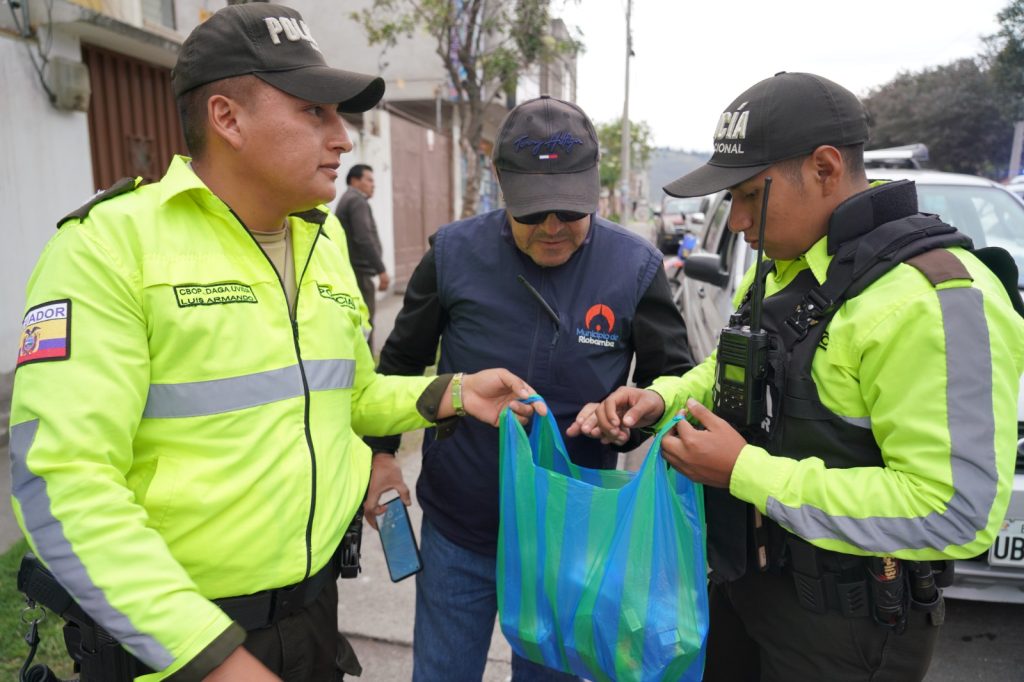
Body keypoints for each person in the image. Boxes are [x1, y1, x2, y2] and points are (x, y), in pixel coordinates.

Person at [8, 4, 544, 681]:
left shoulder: (320, 239)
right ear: (227, 118)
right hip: (180, 647)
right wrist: (213, 658)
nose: (343, 138)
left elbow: (347, 395)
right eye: (314, 112)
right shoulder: (110, 248)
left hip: (313, 618)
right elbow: (61, 481)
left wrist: (455, 392)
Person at [571, 72, 1024, 681]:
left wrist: (743, 471)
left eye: (748, 196)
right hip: (748, 592)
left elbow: (953, 508)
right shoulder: (789, 264)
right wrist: (660, 398)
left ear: (825, 169)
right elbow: (735, 368)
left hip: (848, 631)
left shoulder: (932, 298)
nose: (736, 221)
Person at [362, 95, 694, 681]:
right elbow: (400, 363)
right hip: (460, 527)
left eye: (569, 210)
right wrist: (382, 455)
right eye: (533, 212)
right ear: (499, 180)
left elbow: (672, 380)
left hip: (569, 540)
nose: (552, 228)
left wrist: (631, 417)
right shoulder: (453, 254)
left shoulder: (634, 267)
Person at [335, 163, 389, 347]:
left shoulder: (348, 198)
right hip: (359, 273)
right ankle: (366, 362)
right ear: (354, 181)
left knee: (358, 321)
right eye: (369, 180)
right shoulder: (357, 201)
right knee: (365, 322)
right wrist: (381, 270)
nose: (373, 185)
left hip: (352, 271)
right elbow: (364, 238)